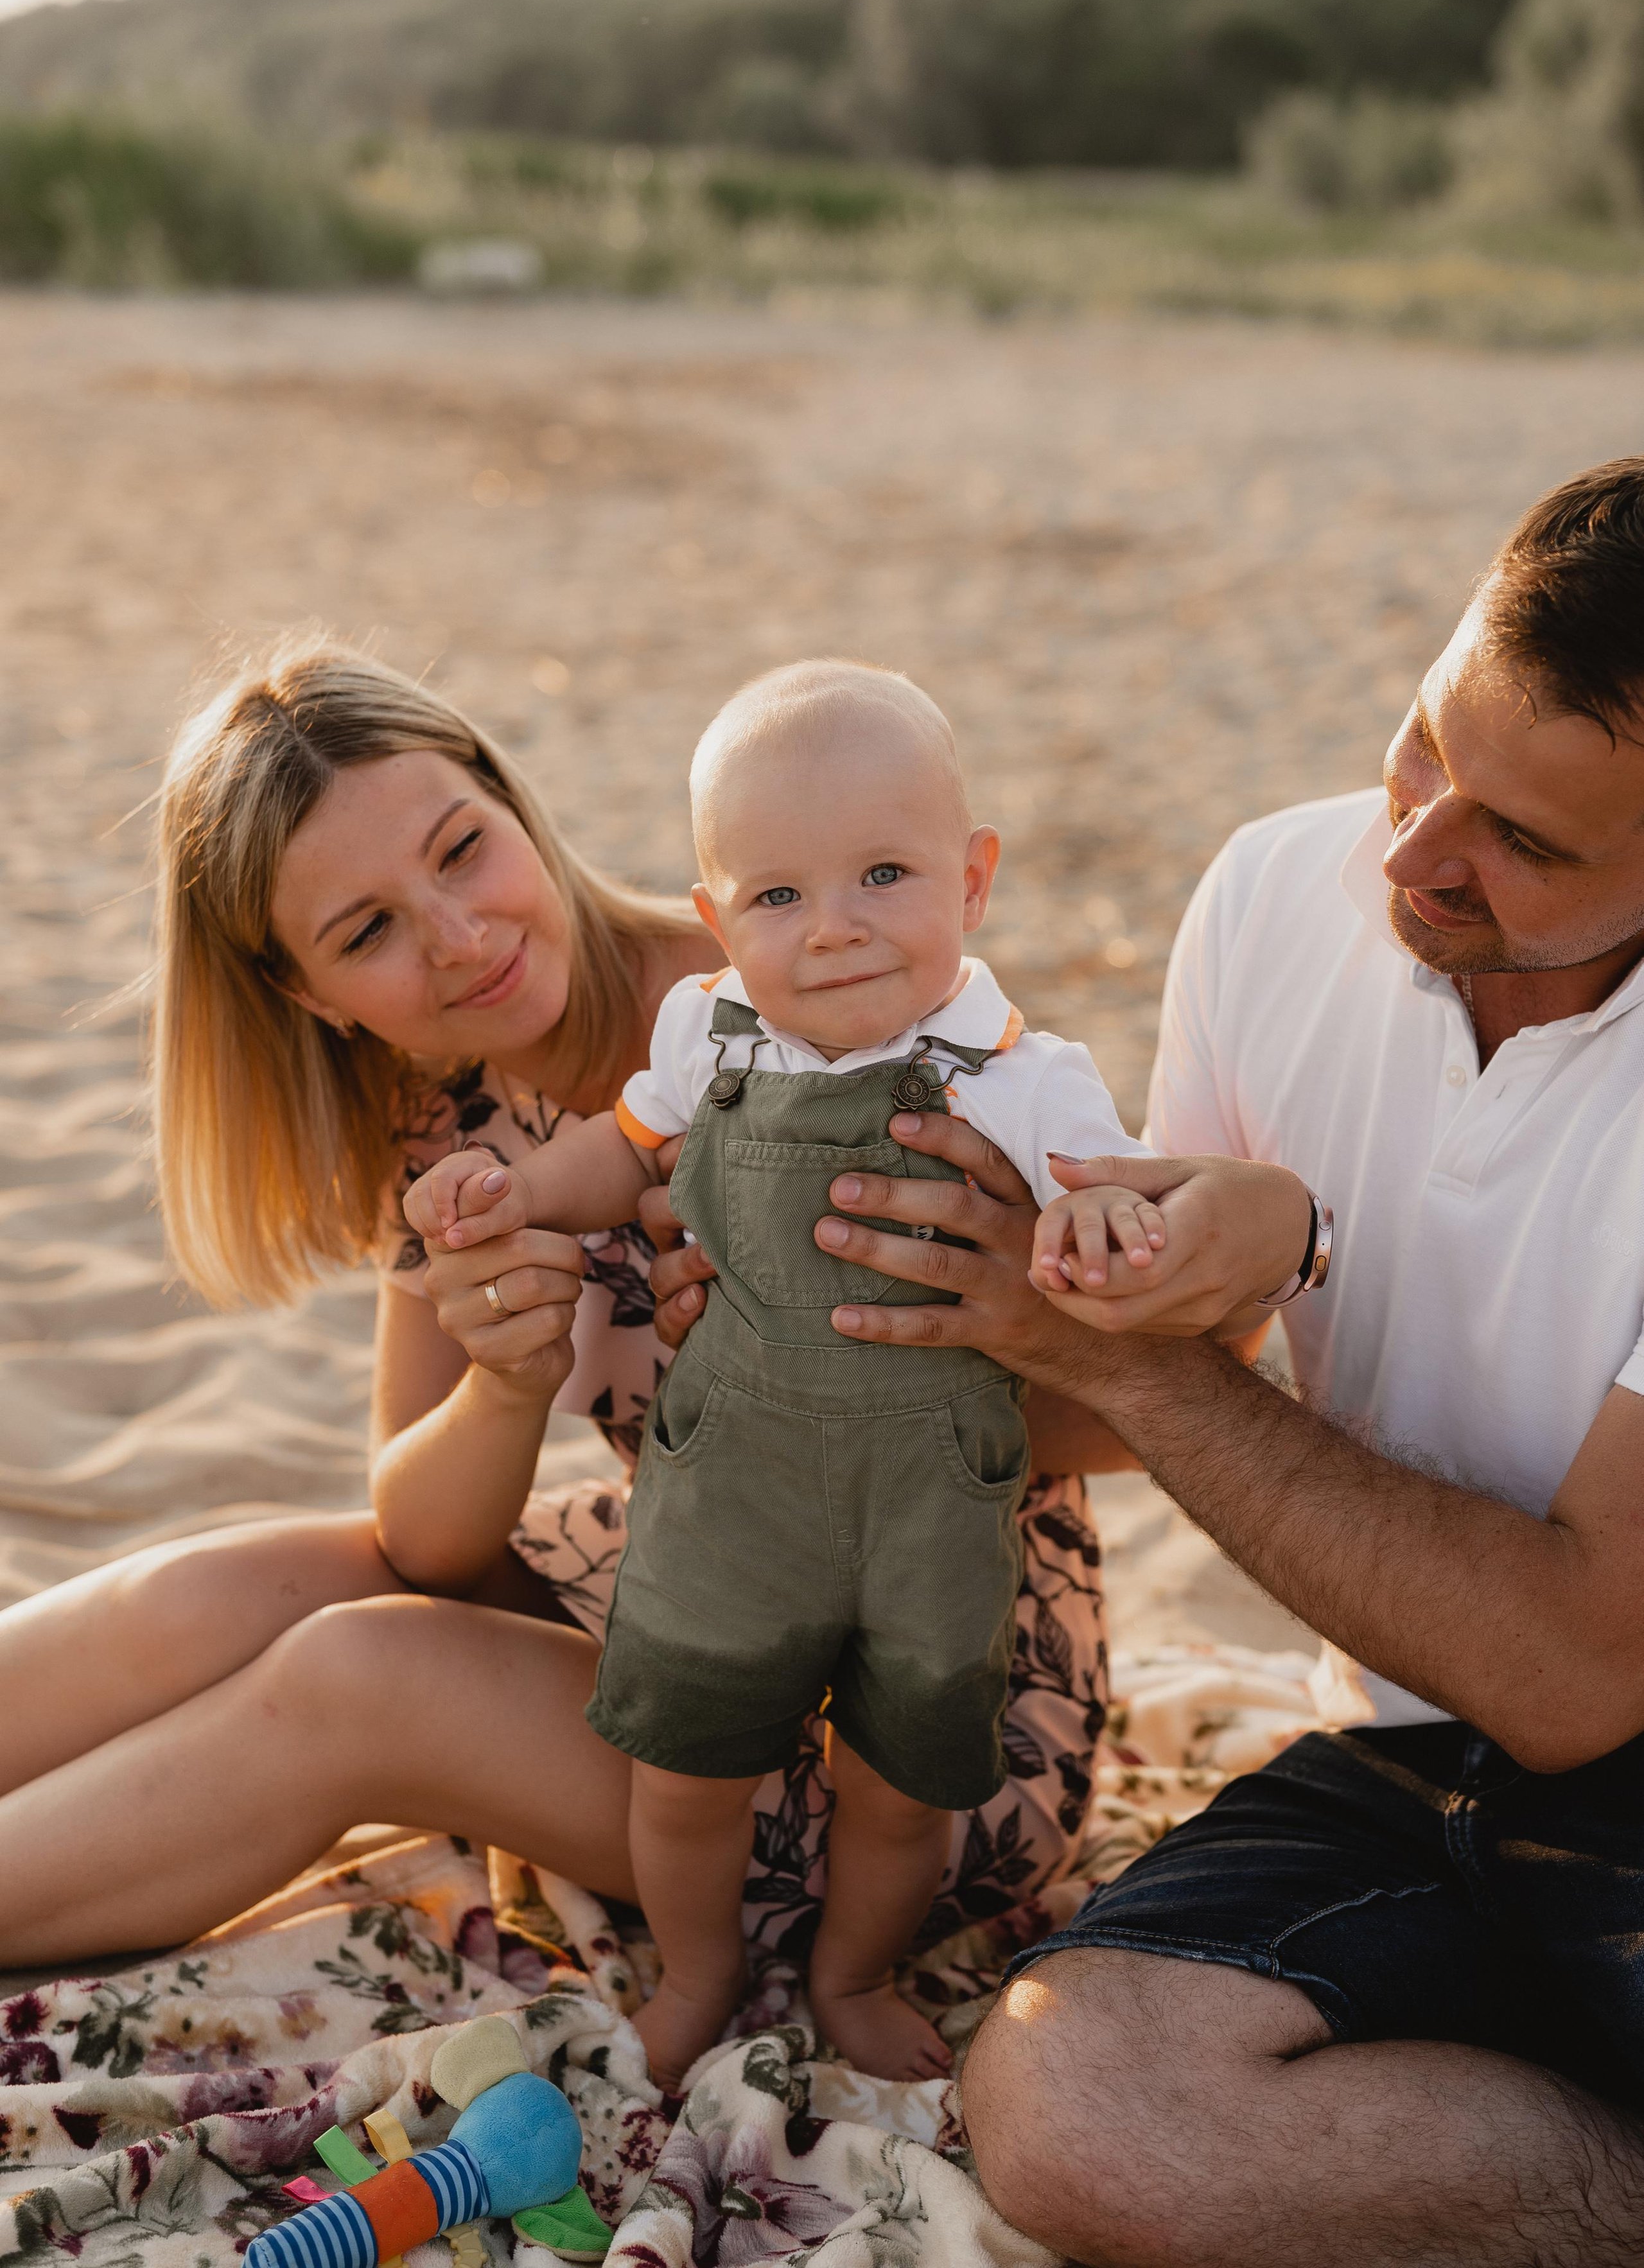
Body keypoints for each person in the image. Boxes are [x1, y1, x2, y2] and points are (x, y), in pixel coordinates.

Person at [0, 640, 1307, 1986]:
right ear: (303, 994)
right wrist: (505, 1385)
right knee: (211, 1590)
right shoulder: (441, 1114)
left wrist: (968, 1314)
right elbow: (429, 1544)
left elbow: (1139, 1410)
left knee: (357, 1672)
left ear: (514, 805)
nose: (460, 939)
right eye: (367, 931)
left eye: (461, 850)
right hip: (704, 1589)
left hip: (929, 1705)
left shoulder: (797, 993)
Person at [757, 460, 1644, 2262]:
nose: (1408, 850)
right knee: (1073, 2107)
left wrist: (1173, 1366)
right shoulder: (1271, 895)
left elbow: (1573, 1673)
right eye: (1424, 746)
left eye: (1523, 843)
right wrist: (864, 1304)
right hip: (1404, 1744)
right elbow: (1127, 1383)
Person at [407, 661, 1184, 2085]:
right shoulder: (706, 1038)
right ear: (714, 922)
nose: (830, 929)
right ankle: (701, 1970)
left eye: (881, 874)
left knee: (901, 1793)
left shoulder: (1018, 1074)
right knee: (686, 1771)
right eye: (775, 897)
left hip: (932, 1507)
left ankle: (853, 1971)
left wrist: (1089, 1216)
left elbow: (1106, 1190)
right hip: (734, 1499)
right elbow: (613, 1151)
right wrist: (513, 1193)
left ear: (973, 876)